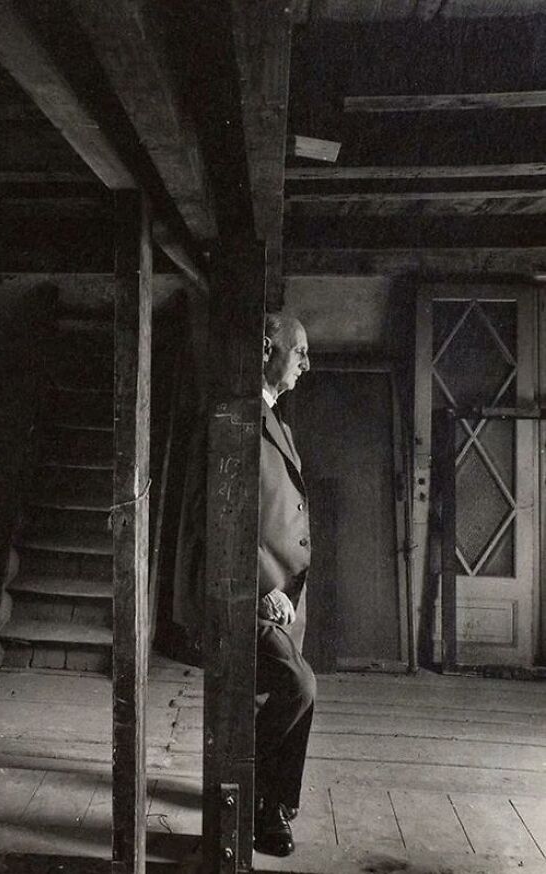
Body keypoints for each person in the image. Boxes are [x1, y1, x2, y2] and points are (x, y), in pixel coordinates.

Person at [254, 312, 316, 857]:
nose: (305, 364)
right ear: (267, 348)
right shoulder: (237, 416)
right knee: (299, 688)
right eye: (299, 352)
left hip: (285, 598)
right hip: (252, 599)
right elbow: (220, 512)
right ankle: (254, 795)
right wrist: (261, 585)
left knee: (304, 689)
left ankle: (274, 802)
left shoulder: (277, 421)